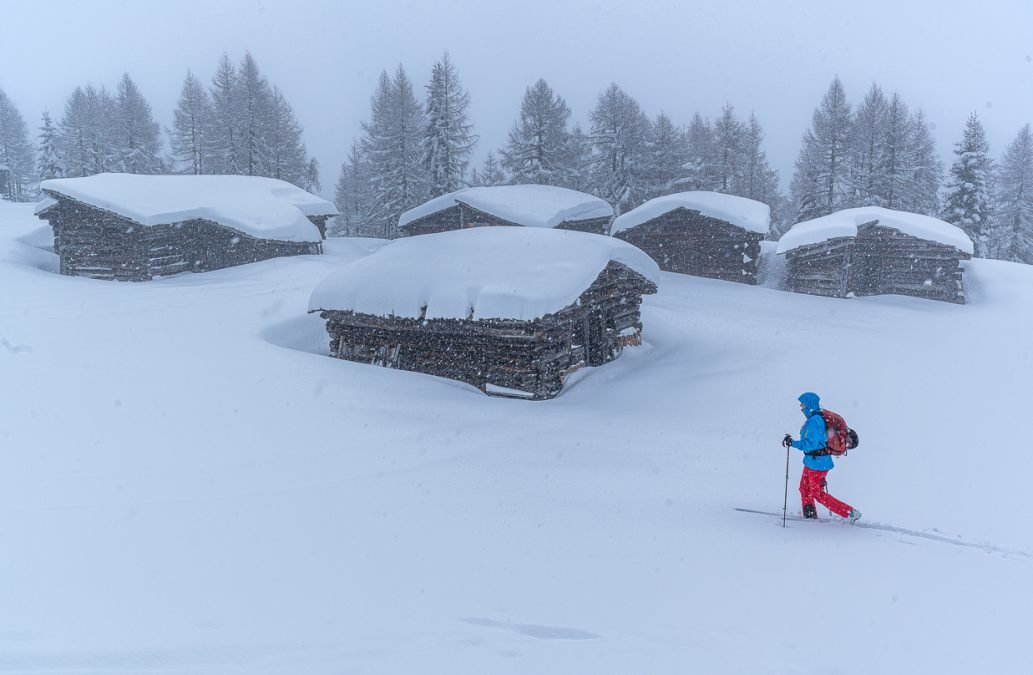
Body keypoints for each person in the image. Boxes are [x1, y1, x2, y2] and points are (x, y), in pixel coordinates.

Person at [782, 392, 862, 523]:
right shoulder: (815, 417)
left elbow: (810, 445)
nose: (801, 407)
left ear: (809, 404)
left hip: (818, 463)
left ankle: (850, 513)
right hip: (812, 461)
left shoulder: (815, 421)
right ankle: (809, 515)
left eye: (802, 404)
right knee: (804, 488)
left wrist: (793, 443)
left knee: (817, 494)